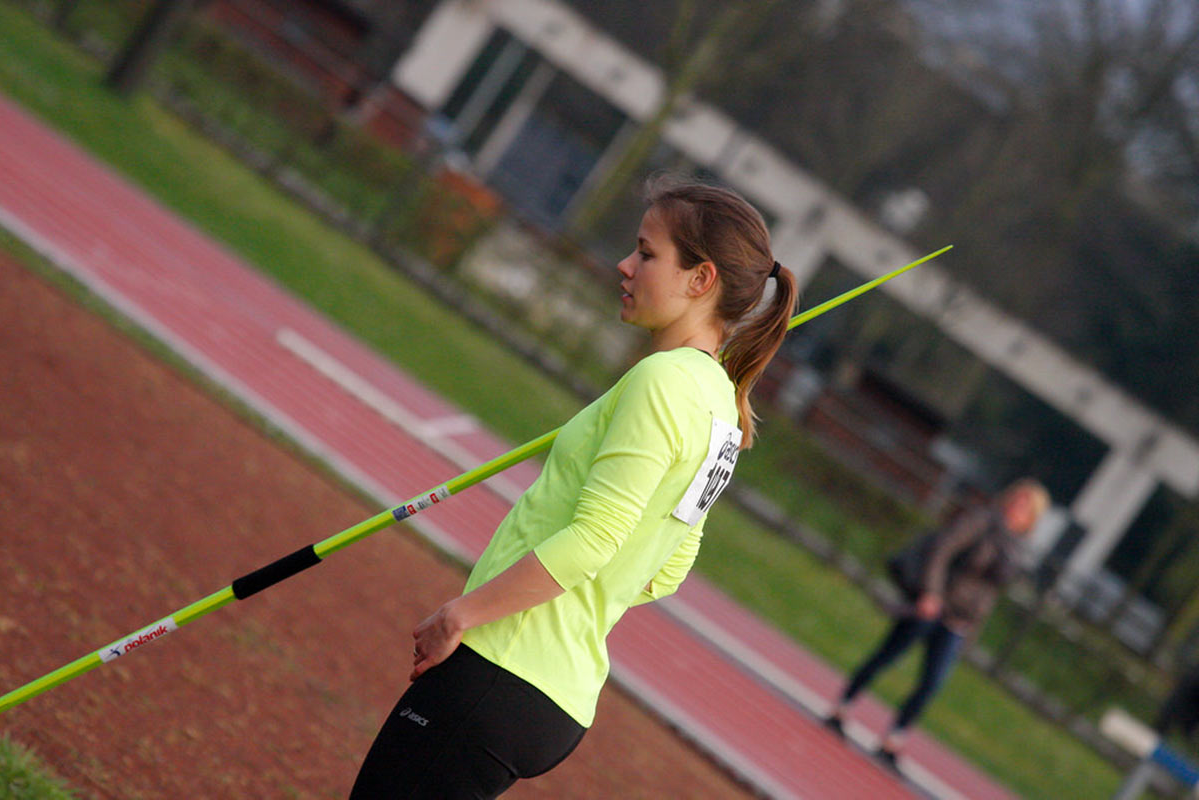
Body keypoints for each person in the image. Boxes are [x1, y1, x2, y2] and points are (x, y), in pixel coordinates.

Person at [349, 177, 798, 799]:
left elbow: (594, 539)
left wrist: (463, 615)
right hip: (555, 698)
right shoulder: (725, 407)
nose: (625, 264)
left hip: (501, 666)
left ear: (701, 280)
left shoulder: (663, 382)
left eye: (646, 253)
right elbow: (669, 567)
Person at [824, 478, 1050, 769]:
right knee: (889, 655)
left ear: (1032, 518)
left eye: (1025, 508)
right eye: (1016, 501)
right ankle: (843, 706)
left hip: (960, 620)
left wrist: (973, 629)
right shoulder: (982, 522)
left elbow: (990, 593)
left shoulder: (1017, 549)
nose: (1017, 510)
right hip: (936, 604)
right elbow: (942, 549)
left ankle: (894, 738)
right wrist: (931, 592)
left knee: (932, 683)